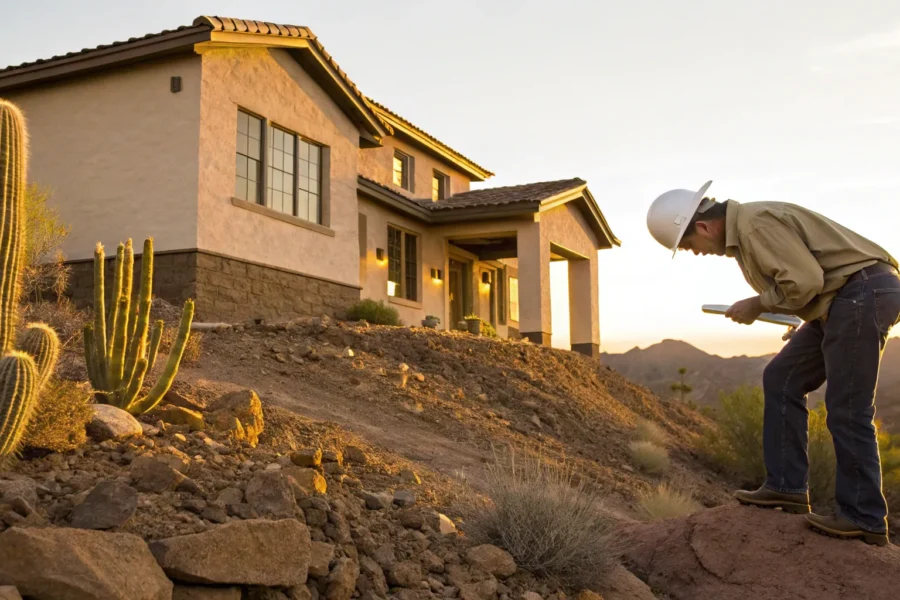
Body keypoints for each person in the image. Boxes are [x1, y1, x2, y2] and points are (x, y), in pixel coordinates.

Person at [647, 181, 899, 546]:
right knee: (782, 377)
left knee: (847, 407)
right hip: (841, 298)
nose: (695, 253)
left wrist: (758, 304)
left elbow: (805, 280)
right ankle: (786, 487)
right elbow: (809, 278)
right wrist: (801, 317)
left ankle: (865, 518)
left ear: (702, 227)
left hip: (861, 293)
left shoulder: (754, 224)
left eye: (688, 246)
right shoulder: (747, 231)